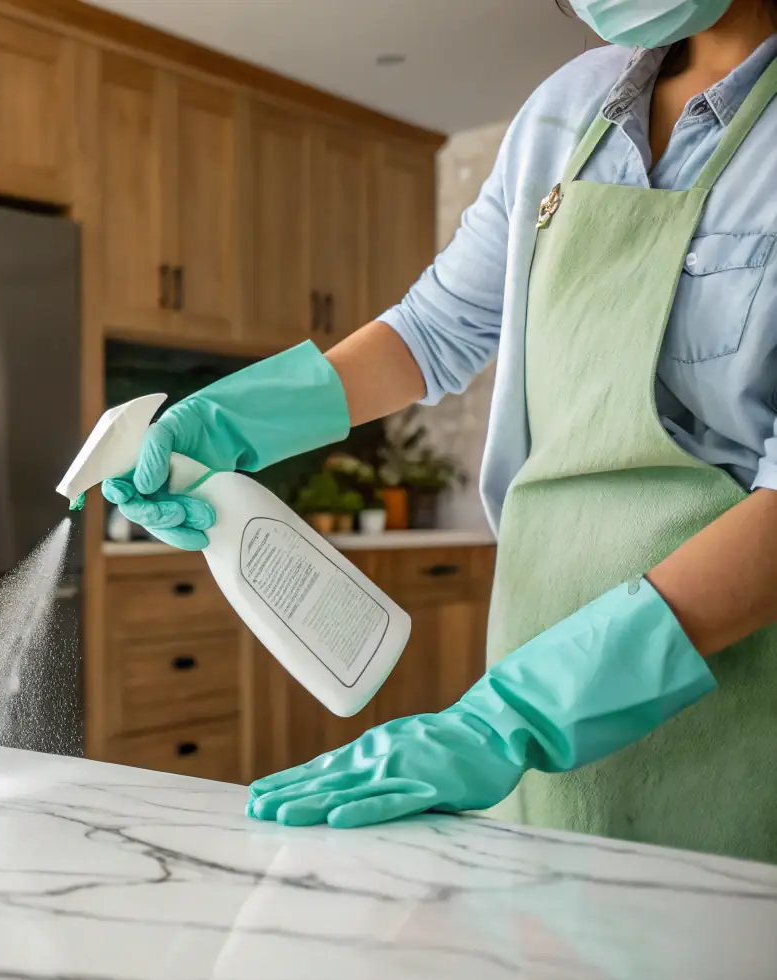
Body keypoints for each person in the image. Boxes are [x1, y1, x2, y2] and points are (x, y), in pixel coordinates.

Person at [103, 0, 777, 864]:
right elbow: (438, 326)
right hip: (537, 659)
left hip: (730, 687)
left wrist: (515, 715)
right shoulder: (568, 107)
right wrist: (234, 419)